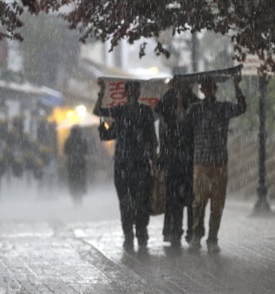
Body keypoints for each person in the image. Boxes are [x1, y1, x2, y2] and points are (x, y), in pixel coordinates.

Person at [182, 75, 246, 252]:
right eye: (205, 87)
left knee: (217, 204)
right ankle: (196, 234)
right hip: (201, 162)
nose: (208, 90)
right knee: (199, 202)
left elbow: (241, 108)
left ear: (214, 89)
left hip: (219, 162)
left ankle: (212, 238)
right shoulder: (195, 110)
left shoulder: (223, 108)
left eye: (211, 87)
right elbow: (183, 124)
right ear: (202, 90)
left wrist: (237, 87)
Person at [96, 81, 158, 250]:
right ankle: (128, 235)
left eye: (135, 89)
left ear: (138, 92)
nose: (132, 93)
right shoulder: (120, 112)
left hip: (141, 164)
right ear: (125, 93)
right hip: (122, 165)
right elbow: (99, 113)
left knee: (141, 202)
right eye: (129, 90)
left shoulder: (145, 112)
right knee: (125, 203)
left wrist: (155, 162)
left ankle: (141, 233)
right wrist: (101, 93)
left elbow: (152, 140)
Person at [155, 80, 200, 248]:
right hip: (173, 159)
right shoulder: (167, 101)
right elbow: (163, 122)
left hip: (189, 158)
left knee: (190, 198)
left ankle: (191, 231)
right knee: (174, 198)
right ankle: (175, 231)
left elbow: (194, 123)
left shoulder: (194, 102)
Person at [63, 125, 88, 205]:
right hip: (81, 164)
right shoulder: (83, 140)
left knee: (73, 181)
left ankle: (75, 198)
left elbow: (65, 151)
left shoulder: (68, 140)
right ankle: (79, 198)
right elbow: (86, 151)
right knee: (80, 181)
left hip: (71, 164)